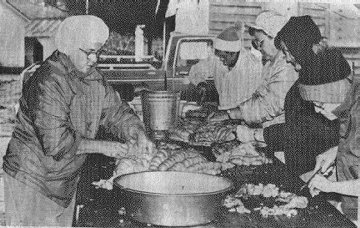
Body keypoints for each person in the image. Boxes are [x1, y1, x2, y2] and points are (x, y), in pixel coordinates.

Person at [3, 15, 154, 227]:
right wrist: (103, 146)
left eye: (98, 52)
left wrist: (136, 132)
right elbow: (56, 141)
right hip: (33, 181)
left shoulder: (92, 77)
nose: (95, 59)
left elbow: (115, 111)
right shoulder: (48, 81)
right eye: (89, 52)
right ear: (69, 46)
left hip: (63, 180)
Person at [238, 16, 351, 179]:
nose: (288, 58)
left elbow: (307, 131)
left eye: (288, 51)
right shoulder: (305, 76)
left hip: (323, 171)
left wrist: (256, 136)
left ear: (300, 47)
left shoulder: (328, 77)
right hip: (306, 166)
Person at [208, 11, 298, 129]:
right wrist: (232, 112)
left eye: (260, 43)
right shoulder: (270, 63)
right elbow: (258, 97)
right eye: (255, 44)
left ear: (276, 39)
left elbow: (268, 106)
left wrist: (230, 114)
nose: (258, 48)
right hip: (265, 130)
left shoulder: (287, 66)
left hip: (279, 134)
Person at [309, 77, 360, 222]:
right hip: (351, 208)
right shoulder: (351, 106)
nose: (316, 111)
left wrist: (329, 186)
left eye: (320, 105)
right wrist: (336, 152)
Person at [187, 25, 263, 110]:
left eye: (223, 57)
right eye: (219, 56)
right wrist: (201, 83)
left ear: (233, 53)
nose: (221, 60)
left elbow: (256, 102)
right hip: (222, 114)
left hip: (243, 116)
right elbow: (196, 70)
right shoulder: (217, 59)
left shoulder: (252, 66)